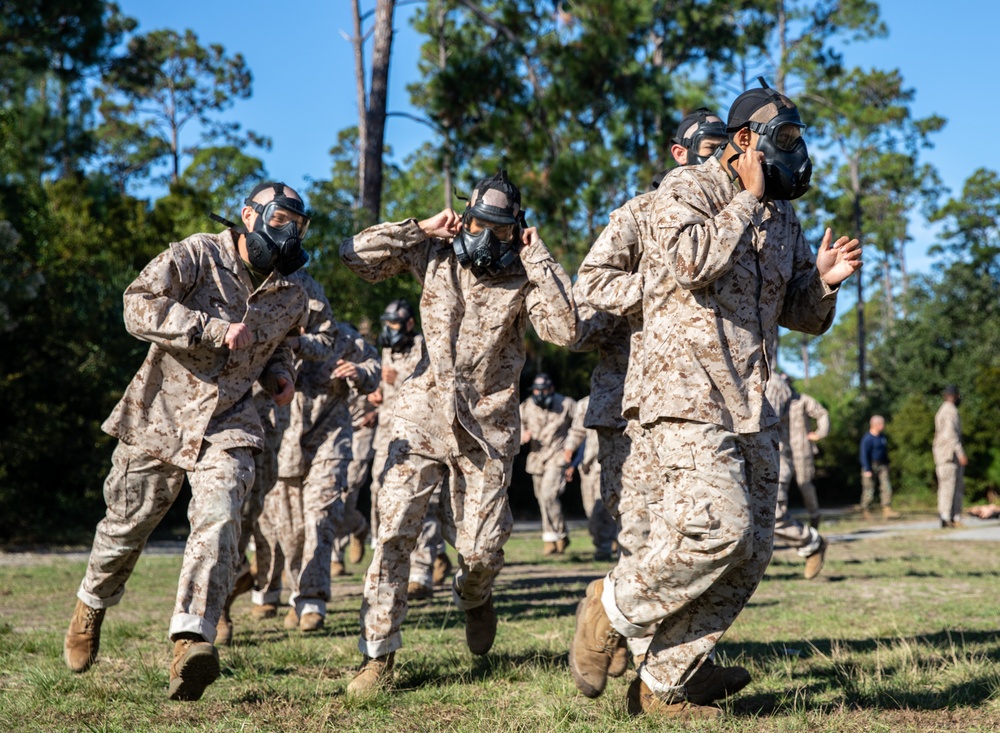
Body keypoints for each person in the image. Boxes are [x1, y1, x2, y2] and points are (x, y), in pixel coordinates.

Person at [569, 80, 862, 720]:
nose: (798, 151)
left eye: (800, 139)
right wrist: (747, 203)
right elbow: (689, 262)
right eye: (785, 139)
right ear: (744, 141)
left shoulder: (784, 216)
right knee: (718, 529)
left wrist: (826, 285)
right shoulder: (688, 192)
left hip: (751, 402)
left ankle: (665, 685)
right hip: (683, 393)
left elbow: (798, 313)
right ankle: (610, 607)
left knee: (753, 548)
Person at [63, 181, 311, 701]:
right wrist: (210, 328)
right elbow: (137, 304)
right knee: (125, 527)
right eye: (282, 220)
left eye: (299, 226)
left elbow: (282, 346)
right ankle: (92, 602)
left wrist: (280, 376)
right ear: (250, 215)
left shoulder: (293, 291)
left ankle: (190, 642)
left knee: (220, 517)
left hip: (230, 421)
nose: (290, 234)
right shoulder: (197, 254)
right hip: (160, 416)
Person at [340, 169, 578, 696]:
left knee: (482, 552)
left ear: (517, 231)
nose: (486, 239)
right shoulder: (435, 255)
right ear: (464, 218)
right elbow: (352, 255)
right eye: (478, 224)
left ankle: (473, 594)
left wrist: (538, 258)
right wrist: (419, 228)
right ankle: (378, 656)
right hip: (420, 416)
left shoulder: (523, 274)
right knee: (395, 529)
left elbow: (566, 329)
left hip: (487, 430)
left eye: (501, 230)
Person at [572, 107, 730, 669]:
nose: (718, 155)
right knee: (641, 528)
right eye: (705, 146)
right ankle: (639, 647)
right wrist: (657, 287)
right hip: (638, 399)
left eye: (724, 145)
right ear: (678, 153)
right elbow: (590, 282)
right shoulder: (640, 213)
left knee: (695, 529)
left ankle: (669, 659)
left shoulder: (743, 214)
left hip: (717, 398)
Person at [252, 305, 381, 632]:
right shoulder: (271, 336)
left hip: (330, 437)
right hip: (286, 444)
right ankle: (298, 592)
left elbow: (373, 365)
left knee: (321, 517)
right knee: (291, 532)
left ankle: (313, 600)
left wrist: (360, 372)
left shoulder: (340, 336)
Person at [367, 299, 451, 600]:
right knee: (382, 495)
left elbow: (436, 385)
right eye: (386, 324)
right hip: (388, 436)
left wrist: (399, 378)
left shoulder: (423, 347)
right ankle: (431, 554)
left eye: (395, 324)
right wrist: (377, 394)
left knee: (424, 501)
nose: (390, 330)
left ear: (410, 324)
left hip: (421, 435)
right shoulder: (387, 349)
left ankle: (420, 574)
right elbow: (386, 390)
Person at [766, 374, 827, 579]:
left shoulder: (794, 396)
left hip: (786, 455)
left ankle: (812, 535)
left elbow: (822, 413)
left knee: (801, 488)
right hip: (766, 455)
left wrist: (820, 433)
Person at [520, 373, 577, 555]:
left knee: (548, 495)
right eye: (537, 390)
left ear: (551, 389)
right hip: (537, 459)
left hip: (557, 456)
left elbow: (580, 427)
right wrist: (522, 435)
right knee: (542, 498)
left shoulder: (566, 404)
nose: (540, 393)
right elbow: (515, 424)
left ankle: (552, 538)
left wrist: (571, 450)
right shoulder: (526, 406)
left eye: (544, 390)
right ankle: (559, 535)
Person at [563, 395, 618, 561]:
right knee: (591, 509)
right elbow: (577, 430)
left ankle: (605, 548)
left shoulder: (622, 396)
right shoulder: (585, 403)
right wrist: (569, 448)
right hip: (589, 465)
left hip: (611, 463)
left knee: (603, 507)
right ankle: (607, 541)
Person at [787, 384, 830, 529]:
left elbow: (822, 413)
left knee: (804, 484)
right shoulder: (773, 398)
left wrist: (820, 433)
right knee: (777, 486)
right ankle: (777, 523)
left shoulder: (802, 400)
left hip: (801, 450)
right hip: (779, 450)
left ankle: (814, 516)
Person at [934, 385, 968, 528]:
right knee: (949, 486)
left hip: (944, 454)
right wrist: (960, 453)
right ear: (954, 395)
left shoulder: (943, 410)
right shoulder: (949, 411)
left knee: (948, 486)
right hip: (948, 455)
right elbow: (950, 434)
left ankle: (949, 516)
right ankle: (947, 517)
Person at [860, 415, 900, 520]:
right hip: (870, 465)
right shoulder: (867, 439)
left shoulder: (882, 437)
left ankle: (887, 509)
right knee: (869, 489)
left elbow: (884, 452)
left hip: (882, 465)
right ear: (875, 425)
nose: (883, 426)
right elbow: (863, 454)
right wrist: (867, 469)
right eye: (881, 424)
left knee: (886, 487)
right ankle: (865, 510)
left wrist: (887, 464)